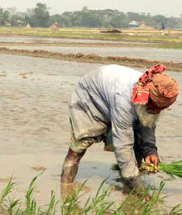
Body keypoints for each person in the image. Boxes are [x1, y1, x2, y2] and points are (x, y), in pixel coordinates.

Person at [61, 64, 178, 194]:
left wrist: (150, 150)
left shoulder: (150, 94)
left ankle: (128, 188)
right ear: (146, 98)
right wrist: (137, 185)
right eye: (155, 107)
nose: (157, 111)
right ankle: (66, 187)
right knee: (79, 147)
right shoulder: (124, 100)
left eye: (161, 108)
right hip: (89, 98)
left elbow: (147, 123)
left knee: (137, 145)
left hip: (110, 93)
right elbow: (123, 144)